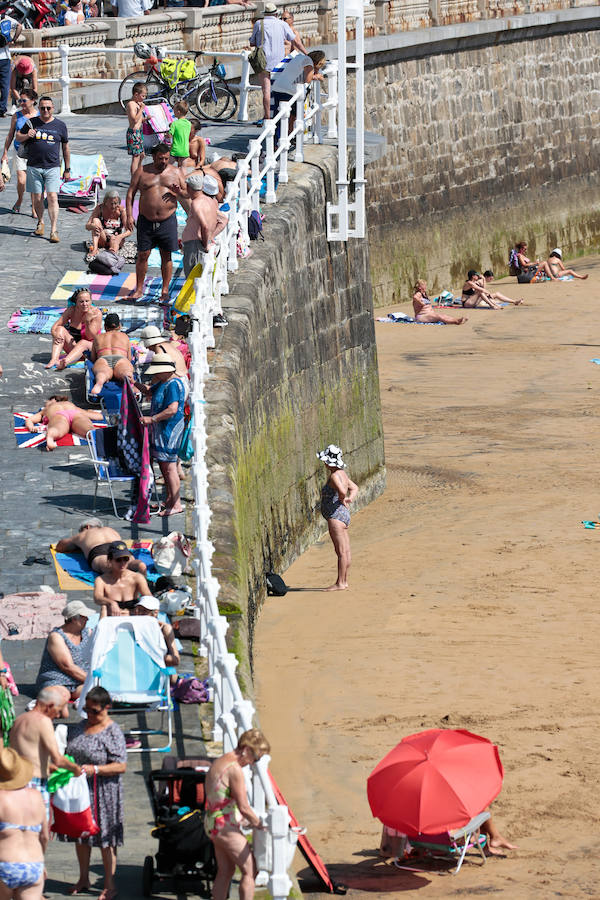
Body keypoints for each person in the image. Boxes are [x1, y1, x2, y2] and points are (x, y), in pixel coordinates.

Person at [62, 687, 126, 900]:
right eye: (86, 710)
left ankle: (110, 884)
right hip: (81, 789)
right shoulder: (81, 727)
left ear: (107, 708)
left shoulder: (112, 731)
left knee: (105, 839)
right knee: (81, 834)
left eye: (94, 711)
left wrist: (96, 769)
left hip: (104, 790)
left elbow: (121, 765)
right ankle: (83, 877)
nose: (90, 715)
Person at [205, 729, 270, 900]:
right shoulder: (234, 770)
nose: (253, 763)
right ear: (246, 749)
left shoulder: (221, 760)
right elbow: (244, 807)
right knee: (250, 870)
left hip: (213, 822)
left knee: (226, 871)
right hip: (224, 826)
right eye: (255, 758)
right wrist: (259, 824)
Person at [126, 142, 186, 302]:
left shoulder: (176, 172)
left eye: (166, 158)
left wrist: (179, 191)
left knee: (166, 255)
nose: (164, 162)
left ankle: (165, 290)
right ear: (154, 157)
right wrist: (128, 215)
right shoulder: (142, 171)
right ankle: (139, 289)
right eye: (161, 158)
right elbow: (131, 192)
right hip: (146, 219)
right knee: (143, 254)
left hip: (168, 220)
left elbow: (187, 192)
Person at [10, 687, 82, 820]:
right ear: (49, 706)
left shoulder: (19, 720)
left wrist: (47, 766)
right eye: (58, 710)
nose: (58, 715)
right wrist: (76, 769)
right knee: (39, 832)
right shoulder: (43, 721)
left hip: (16, 782)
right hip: (34, 782)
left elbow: (25, 753)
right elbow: (58, 759)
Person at [16, 95, 70, 244]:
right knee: (37, 198)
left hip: (52, 166)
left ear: (53, 109)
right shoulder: (31, 122)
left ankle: (53, 229)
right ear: (39, 109)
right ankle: (40, 222)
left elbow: (65, 147)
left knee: (52, 197)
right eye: (42, 108)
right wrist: (27, 135)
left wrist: (67, 168)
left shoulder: (60, 125)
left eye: (48, 108)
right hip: (34, 166)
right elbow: (18, 137)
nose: (45, 110)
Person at [140, 354, 186, 517]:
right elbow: (148, 391)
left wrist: (152, 419)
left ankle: (176, 504)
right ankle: (169, 499)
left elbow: (172, 409)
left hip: (169, 430)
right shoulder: (163, 382)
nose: (156, 375)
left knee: (169, 468)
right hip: (161, 430)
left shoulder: (173, 384)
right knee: (165, 468)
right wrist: (132, 383)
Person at [0, 747, 49, 900]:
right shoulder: (36, 796)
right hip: (34, 865)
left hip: (5, 864)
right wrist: (41, 863)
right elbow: (45, 836)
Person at [249, 4, 308, 121]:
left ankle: (267, 118)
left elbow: (252, 42)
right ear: (276, 14)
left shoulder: (259, 24)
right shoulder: (282, 24)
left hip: (264, 61)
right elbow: (294, 40)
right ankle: (281, 115)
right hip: (280, 63)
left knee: (266, 90)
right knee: (281, 89)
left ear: (265, 14)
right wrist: (306, 53)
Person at [317, 444, 358, 591]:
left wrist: (342, 498)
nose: (324, 463)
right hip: (343, 515)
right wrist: (349, 499)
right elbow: (354, 488)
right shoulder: (343, 474)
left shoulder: (334, 476)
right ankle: (344, 580)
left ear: (329, 463)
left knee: (340, 552)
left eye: (325, 461)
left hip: (336, 516)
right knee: (346, 550)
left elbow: (342, 490)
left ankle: (340, 583)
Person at [35, 600, 95, 700]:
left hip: (80, 679)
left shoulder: (87, 632)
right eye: (84, 617)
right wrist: (92, 679)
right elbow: (67, 666)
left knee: (96, 693)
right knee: (62, 696)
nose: (87, 619)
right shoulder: (57, 636)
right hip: (59, 680)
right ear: (75, 619)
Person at [55, 518, 148, 576]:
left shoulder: (84, 533)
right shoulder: (110, 530)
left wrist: (78, 544)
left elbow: (60, 546)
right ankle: (139, 565)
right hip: (120, 547)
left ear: (87, 527)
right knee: (130, 562)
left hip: (98, 550)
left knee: (107, 565)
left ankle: (122, 576)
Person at [271, 49, 325, 139]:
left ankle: (284, 138)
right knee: (296, 115)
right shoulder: (308, 62)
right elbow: (308, 79)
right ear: (318, 61)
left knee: (283, 116)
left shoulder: (299, 57)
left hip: (278, 87)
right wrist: (317, 76)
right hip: (288, 91)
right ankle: (283, 139)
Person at [181, 174, 227, 277]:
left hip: (194, 245)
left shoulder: (196, 204)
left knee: (192, 277)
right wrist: (211, 236)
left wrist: (206, 244)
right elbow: (224, 220)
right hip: (198, 243)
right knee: (201, 277)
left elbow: (205, 226)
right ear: (202, 187)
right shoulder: (211, 201)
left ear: (188, 187)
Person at [45, 287, 102, 370]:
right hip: (74, 348)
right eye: (81, 301)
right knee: (59, 329)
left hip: (90, 350)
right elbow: (55, 326)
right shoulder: (71, 310)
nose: (85, 304)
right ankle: (54, 359)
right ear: (76, 302)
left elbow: (90, 337)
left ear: (91, 301)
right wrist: (55, 334)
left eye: (87, 301)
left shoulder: (96, 313)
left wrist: (87, 322)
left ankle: (65, 362)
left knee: (83, 343)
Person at [1, 88, 38, 216]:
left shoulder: (39, 116)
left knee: (33, 181)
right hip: (19, 151)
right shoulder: (17, 115)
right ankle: (20, 199)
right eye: (20, 100)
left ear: (33, 101)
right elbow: (10, 134)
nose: (21, 103)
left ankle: (34, 206)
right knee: (22, 181)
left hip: (35, 153)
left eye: (24, 100)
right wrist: (5, 152)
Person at [23, 395, 104, 452]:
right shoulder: (70, 404)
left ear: (53, 400)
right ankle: (101, 435)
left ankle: (50, 437)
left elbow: (29, 420)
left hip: (59, 415)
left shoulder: (47, 409)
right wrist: (91, 412)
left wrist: (31, 427)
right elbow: (96, 416)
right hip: (75, 414)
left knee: (57, 428)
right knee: (89, 430)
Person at [93, 541, 152, 616]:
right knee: (104, 608)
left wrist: (141, 606)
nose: (122, 563)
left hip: (134, 616)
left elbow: (148, 597)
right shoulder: (101, 580)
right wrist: (111, 603)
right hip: (113, 617)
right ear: (110, 560)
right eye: (118, 560)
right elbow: (97, 597)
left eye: (125, 559)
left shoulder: (137, 578)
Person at [139, 325, 190, 399]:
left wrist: (151, 386)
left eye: (147, 345)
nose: (147, 348)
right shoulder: (167, 344)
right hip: (183, 380)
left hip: (176, 383)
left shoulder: (159, 349)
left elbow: (161, 372)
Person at [90, 313, 134, 397]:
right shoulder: (124, 336)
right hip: (120, 359)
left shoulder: (98, 337)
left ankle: (100, 382)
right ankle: (129, 380)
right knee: (125, 372)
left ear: (105, 327)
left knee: (102, 373)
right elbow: (129, 358)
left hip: (103, 359)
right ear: (119, 326)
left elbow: (93, 358)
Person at [85, 189, 131, 261]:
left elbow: (129, 231)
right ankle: (95, 249)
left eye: (116, 203)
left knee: (113, 239)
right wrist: (92, 226)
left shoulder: (121, 210)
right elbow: (87, 226)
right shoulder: (100, 208)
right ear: (105, 202)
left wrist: (120, 236)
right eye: (111, 203)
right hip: (103, 237)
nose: (113, 206)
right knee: (95, 221)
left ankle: (112, 253)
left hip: (116, 238)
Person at [133, 597, 180, 668]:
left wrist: (151, 656)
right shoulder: (132, 625)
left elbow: (176, 660)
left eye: (144, 611)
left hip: (159, 668)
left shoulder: (165, 628)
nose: (139, 613)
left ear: (155, 613)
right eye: (138, 610)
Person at [0, 16, 22, 118]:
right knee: (5, 85)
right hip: (4, 56)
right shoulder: (5, 18)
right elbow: (19, 26)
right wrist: (14, 40)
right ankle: (2, 109)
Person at [125, 82, 147, 177]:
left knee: (142, 155)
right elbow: (134, 120)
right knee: (136, 157)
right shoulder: (131, 104)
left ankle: (138, 173)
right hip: (133, 133)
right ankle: (134, 178)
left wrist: (145, 119)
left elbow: (138, 120)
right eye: (143, 96)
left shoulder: (137, 104)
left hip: (138, 132)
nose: (144, 98)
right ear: (136, 94)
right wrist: (141, 109)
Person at [169, 100, 191, 168]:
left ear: (178, 112)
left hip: (175, 150)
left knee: (167, 167)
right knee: (182, 169)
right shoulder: (188, 123)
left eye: (174, 111)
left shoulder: (174, 123)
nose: (173, 112)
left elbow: (169, 135)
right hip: (185, 151)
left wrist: (166, 134)